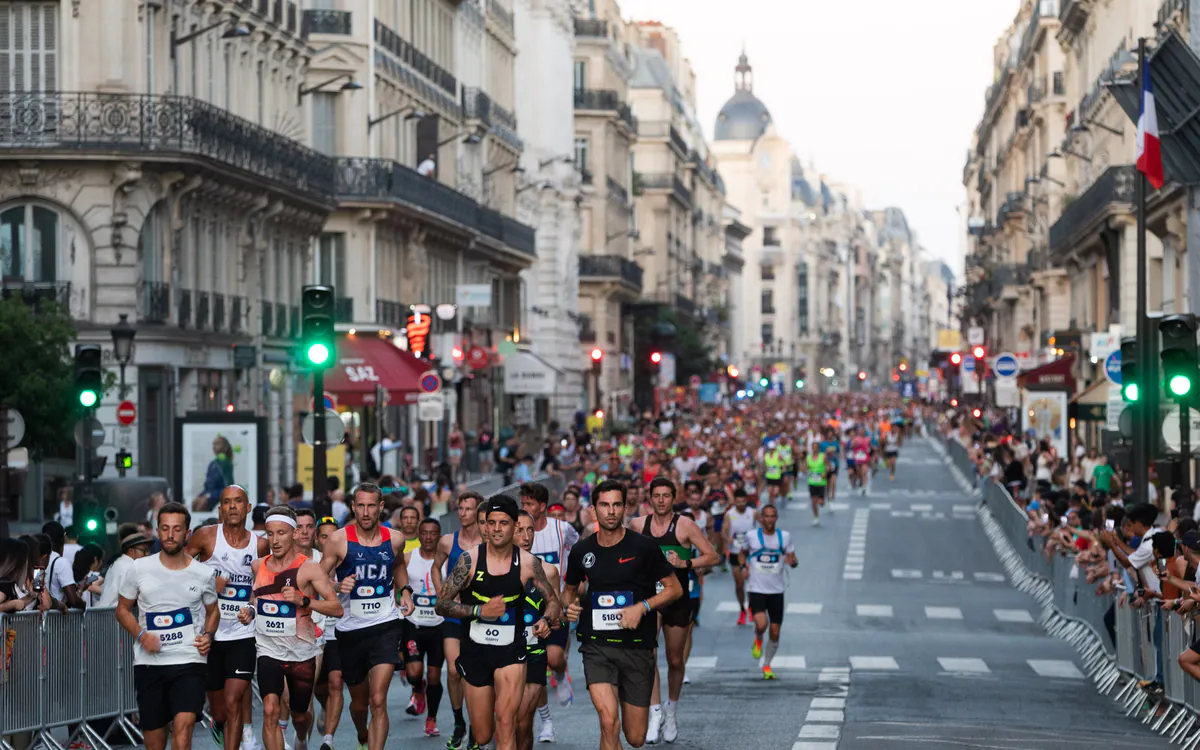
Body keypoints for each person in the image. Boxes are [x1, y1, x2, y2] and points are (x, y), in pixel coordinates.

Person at [562, 480, 682, 750]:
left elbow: (675, 589)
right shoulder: (582, 550)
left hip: (637, 647)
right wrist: (567, 607)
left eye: (617, 504)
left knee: (635, 737)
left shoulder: (644, 547)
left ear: (625, 508)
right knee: (608, 721)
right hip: (597, 646)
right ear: (594, 510)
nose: (611, 511)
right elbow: (568, 591)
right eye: (604, 505)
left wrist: (643, 607)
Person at [434, 496, 562, 750]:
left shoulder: (527, 563)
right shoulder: (469, 561)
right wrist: (479, 610)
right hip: (475, 652)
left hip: (511, 653)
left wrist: (547, 618)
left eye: (503, 523)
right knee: (482, 734)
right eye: (491, 523)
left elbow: (553, 601)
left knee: (506, 723)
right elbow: (441, 604)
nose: (496, 529)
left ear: (514, 526)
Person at [115, 502, 219, 750]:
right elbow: (122, 610)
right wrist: (141, 636)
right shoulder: (139, 568)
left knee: (183, 731)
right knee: (155, 741)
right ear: (157, 531)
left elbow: (213, 611)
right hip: (150, 664)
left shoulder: (203, 574)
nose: (170, 535)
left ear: (187, 532)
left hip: (189, 661)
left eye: (176, 529)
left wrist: (208, 635)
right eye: (165, 528)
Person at [318, 484, 415, 750]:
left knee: (378, 700)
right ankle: (363, 734)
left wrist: (405, 590)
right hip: (350, 630)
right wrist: (337, 587)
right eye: (360, 506)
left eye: (371, 505)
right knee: (360, 704)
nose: (366, 512)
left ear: (381, 507)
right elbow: (317, 577)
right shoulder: (338, 540)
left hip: (385, 625)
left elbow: (398, 566)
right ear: (353, 507)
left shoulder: (394, 539)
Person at [236, 508, 342, 750]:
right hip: (268, 650)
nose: (274, 540)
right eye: (270, 534)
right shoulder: (257, 565)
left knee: (300, 715)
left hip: (302, 654)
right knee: (271, 709)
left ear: (294, 534)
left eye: (281, 533)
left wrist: (303, 600)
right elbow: (256, 598)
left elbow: (336, 608)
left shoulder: (310, 568)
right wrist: (250, 612)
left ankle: (302, 737)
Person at [636, 477, 719, 744]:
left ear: (673, 498)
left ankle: (671, 710)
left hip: (677, 598)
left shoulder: (684, 525)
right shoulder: (638, 525)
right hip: (650, 599)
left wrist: (686, 562)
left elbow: (713, 556)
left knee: (674, 659)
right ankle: (655, 712)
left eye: (666, 496)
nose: (661, 500)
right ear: (649, 498)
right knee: (648, 655)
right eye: (656, 496)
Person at [187, 485, 268, 750]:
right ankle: (217, 723)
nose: (232, 506)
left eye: (238, 501)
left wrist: (252, 609)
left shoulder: (261, 544)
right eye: (226, 502)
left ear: (248, 507)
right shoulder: (205, 537)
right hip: (210, 636)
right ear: (220, 508)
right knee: (220, 710)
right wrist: (208, 583)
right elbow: (177, 572)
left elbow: (265, 587)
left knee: (234, 702)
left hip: (243, 635)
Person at [520, 482, 580, 723]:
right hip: (526, 608)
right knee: (534, 669)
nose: (525, 507)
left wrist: (576, 583)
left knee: (554, 658)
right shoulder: (518, 530)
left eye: (529, 504)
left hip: (557, 602)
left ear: (542, 506)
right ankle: (545, 722)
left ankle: (562, 675)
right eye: (522, 504)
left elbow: (578, 550)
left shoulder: (562, 529)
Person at [432, 491, 486, 750]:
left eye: (468, 508)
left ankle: (478, 728)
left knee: (475, 674)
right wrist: (440, 591)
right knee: (453, 671)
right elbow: (435, 566)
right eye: (460, 508)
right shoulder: (446, 541)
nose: (463, 513)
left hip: (480, 617)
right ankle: (458, 723)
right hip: (454, 615)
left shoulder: (488, 541)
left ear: (478, 512)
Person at [514, 510, 561, 750]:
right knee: (498, 723)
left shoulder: (548, 571)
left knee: (523, 720)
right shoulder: (488, 569)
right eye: (519, 529)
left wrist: (548, 619)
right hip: (497, 654)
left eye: (530, 530)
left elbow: (557, 613)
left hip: (533, 653)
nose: (526, 536)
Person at [740, 504, 798, 680]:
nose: (770, 520)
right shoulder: (752, 536)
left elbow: (792, 558)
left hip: (777, 590)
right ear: (761, 519)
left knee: (774, 632)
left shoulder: (784, 537)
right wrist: (744, 566)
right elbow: (742, 553)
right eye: (766, 516)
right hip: (756, 588)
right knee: (761, 624)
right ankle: (758, 638)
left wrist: (793, 562)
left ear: (776, 518)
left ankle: (767, 665)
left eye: (773, 516)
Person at [402, 516, 447, 738]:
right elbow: (397, 584)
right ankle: (417, 689)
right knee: (414, 672)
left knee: (435, 676)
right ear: (419, 535)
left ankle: (431, 719)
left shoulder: (446, 561)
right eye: (425, 532)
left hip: (439, 626)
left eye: (433, 533)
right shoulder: (408, 558)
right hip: (414, 624)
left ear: (439, 536)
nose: (429, 537)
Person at [312, 517, 344, 750]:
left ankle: (328, 740)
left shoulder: (348, 561)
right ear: (317, 539)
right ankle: (323, 705)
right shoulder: (310, 564)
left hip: (340, 632)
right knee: (318, 687)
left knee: (336, 682)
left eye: (333, 535)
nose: (329, 540)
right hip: (314, 634)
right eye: (324, 536)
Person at [722, 490, 757, 625]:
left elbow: (763, 526)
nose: (741, 504)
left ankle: (752, 607)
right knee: (739, 584)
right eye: (738, 501)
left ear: (746, 501)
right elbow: (723, 532)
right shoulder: (729, 514)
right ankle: (742, 609)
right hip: (735, 552)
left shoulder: (752, 513)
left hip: (750, 553)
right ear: (734, 501)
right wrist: (728, 540)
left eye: (743, 501)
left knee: (752, 583)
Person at [97, 526, 155, 607]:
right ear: (131, 550)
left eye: (148, 550)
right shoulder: (130, 566)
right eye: (144, 550)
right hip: (112, 615)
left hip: (106, 613)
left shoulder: (121, 562)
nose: (147, 554)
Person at [41, 521, 85, 609]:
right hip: (57, 618)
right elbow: (73, 599)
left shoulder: (37, 561)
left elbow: (36, 592)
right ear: (63, 538)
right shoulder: (61, 563)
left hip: (39, 618)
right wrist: (84, 605)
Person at [194, 436, 236, 511]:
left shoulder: (225, 463)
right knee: (194, 503)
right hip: (209, 493)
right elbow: (208, 486)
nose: (214, 447)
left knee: (200, 506)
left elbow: (228, 487)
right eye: (213, 444)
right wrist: (200, 495)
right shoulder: (213, 463)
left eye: (218, 444)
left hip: (217, 494)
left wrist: (208, 496)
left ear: (225, 447)